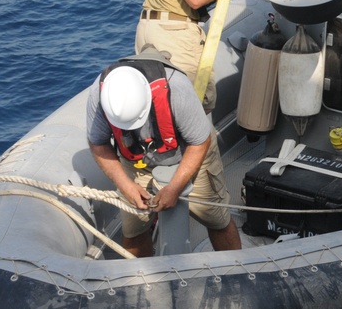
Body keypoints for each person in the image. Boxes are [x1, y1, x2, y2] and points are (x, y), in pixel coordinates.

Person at [86, 49, 242, 257]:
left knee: (217, 219)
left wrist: (174, 188)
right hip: (137, 160)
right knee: (133, 230)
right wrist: (127, 186)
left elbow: (199, 142)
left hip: (191, 151)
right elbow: (98, 143)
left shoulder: (176, 89)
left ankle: (232, 270)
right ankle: (143, 282)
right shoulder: (100, 94)